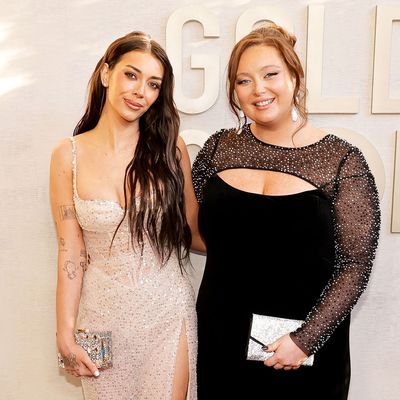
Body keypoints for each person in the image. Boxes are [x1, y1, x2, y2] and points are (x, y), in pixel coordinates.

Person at [192, 24, 380, 400]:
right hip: (220, 338)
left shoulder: (340, 160)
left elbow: (356, 264)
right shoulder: (217, 150)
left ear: (295, 76)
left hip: (301, 349)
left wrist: (306, 340)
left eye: (270, 74)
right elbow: (198, 233)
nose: (258, 89)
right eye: (244, 81)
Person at [50, 31, 202, 400]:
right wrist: (65, 332)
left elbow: (194, 230)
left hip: (167, 312)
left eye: (153, 84)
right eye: (131, 75)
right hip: (100, 318)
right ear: (106, 74)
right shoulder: (67, 156)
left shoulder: (170, 149)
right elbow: (71, 251)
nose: (140, 92)